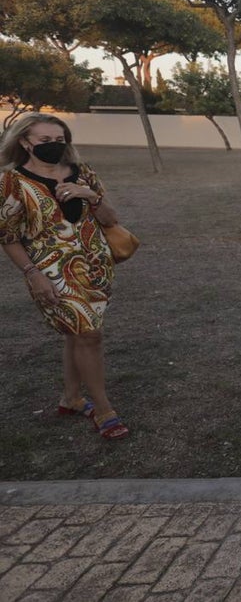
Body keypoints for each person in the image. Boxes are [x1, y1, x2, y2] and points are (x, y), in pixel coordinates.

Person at [1, 114, 130, 440]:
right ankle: (104, 410)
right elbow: (8, 236)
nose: (54, 145)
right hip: (52, 271)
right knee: (90, 335)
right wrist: (32, 274)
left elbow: (110, 218)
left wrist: (89, 195)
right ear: (25, 142)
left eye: (60, 139)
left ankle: (71, 398)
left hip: (96, 266)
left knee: (78, 333)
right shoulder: (13, 182)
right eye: (45, 140)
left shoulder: (83, 172)